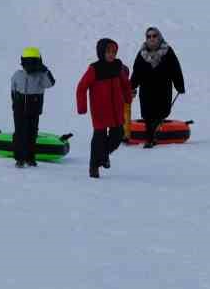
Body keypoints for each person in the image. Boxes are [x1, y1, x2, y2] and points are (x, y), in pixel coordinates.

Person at [76, 38, 133, 179]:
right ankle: (93, 166)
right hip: (100, 110)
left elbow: (125, 84)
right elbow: (81, 87)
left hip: (117, 109)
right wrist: (82, 106)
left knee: (118, 135)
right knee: (99, 138)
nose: (111, 55)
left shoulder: (118, 66)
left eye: (114, 52)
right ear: (101, 52)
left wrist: (128, 98)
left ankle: (103, 155)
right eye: (108, 52)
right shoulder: (94, 69)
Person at [130, 28, 185, 148]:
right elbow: (136, 72)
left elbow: (175, 69)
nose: (151, 38)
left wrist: (179, 85)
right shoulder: (142, 53)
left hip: (163, 88)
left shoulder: (168, 51)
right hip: (146, 89)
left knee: (163, 111)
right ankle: (150, 139)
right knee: (148, 114)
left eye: (154, 36)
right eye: (148, 36)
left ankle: (155, 132)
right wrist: (131, 86)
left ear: (159, 37)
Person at [10, 47, 56, 168]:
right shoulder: (17, 75)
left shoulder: (41, 76)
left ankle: (30, 158)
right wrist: (15, 104)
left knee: (31, 133)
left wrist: (45, 71)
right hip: (20, 108)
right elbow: (13, 90)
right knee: (20, 133)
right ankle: (19, 158)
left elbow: (51, 83)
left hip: (34, 108)